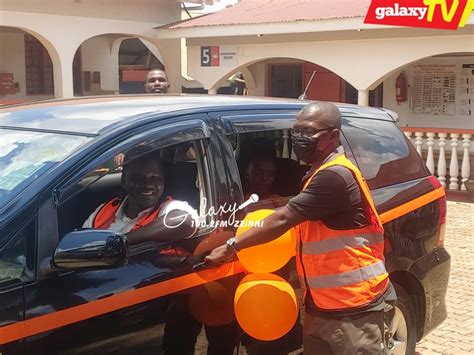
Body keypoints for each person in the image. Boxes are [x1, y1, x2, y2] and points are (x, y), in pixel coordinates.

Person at [206, 102, 396, 355]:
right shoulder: (316, 173)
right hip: (322, 305)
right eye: (296, 131)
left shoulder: (335, 176)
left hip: (355, 306)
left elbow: (284, 218)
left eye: (308, 132)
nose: (298, 138)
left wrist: (232, 246)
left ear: (333, 136)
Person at [83, 145, 198, 245]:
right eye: (138, 178)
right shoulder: (102, 212)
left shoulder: (168, 208)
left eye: (154, 178)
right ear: (124, 181)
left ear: (163, 180)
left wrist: (121, 240)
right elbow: (81, 245)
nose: (147, 185)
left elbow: (184, 221)